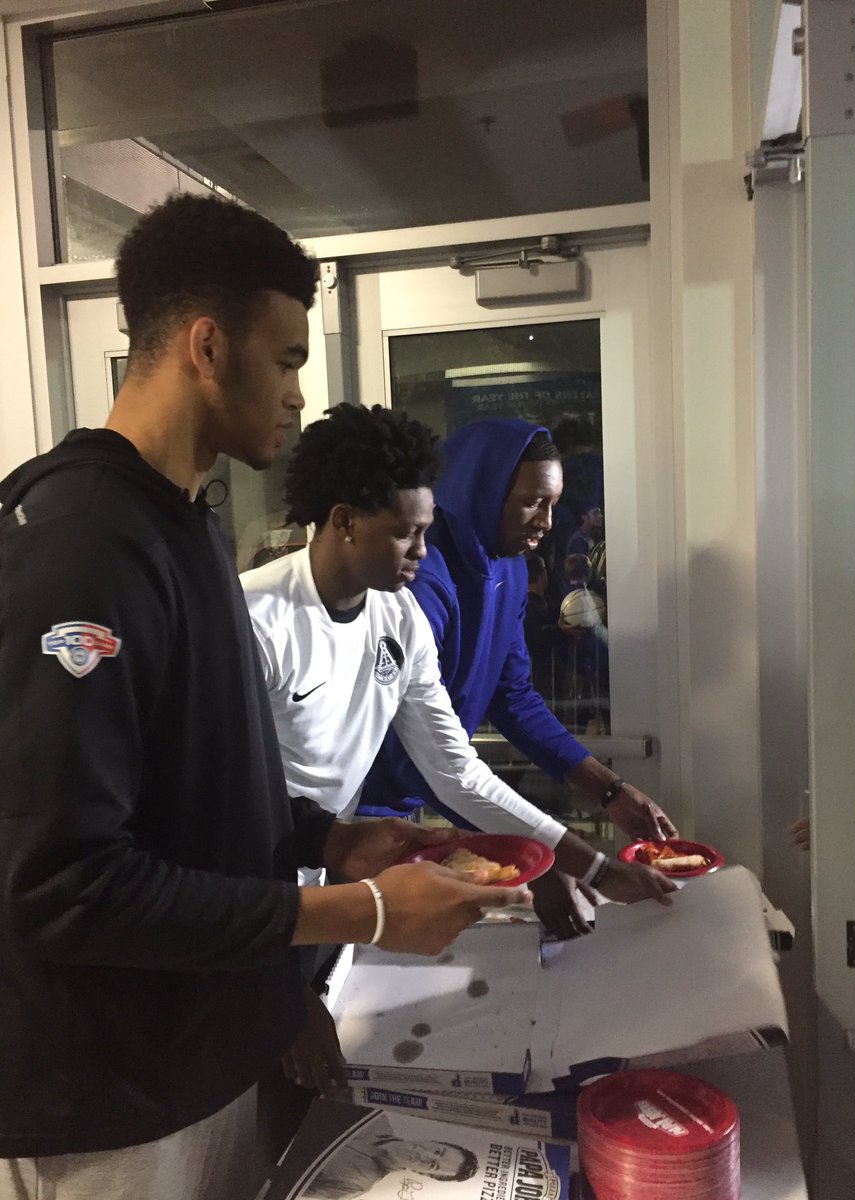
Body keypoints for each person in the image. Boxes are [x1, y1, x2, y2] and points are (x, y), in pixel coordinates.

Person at [0, 195, 528, 1200]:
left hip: (200, 1061)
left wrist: (320, 839)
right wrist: (360, 911)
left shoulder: (185, 526)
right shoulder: (77, 548)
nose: (298, 394)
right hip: (112, 1104)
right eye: (286, 359)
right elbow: (64, 884)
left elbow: (185, 794)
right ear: (207, 347)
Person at [240, 403, 674, 1093]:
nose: (422, 552)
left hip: (331, 872)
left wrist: (590, 866)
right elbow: (223, 821)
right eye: (407, 534)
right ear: (346, 520)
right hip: (250, 902)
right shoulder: (255, 621)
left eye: (425, 531)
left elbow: (455, 771)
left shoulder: (400, 616)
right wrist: (283, 996)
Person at [362, 418, 678, 857]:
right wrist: (551, 852)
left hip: (418, 796)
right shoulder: (421, 578)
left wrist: (610, 790)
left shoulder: (507, 567)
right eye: (532, 502)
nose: (547, 522)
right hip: (355, 810)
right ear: (482, 489)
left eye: (554, 504)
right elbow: (416, 751)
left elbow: (513, 696)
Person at [307, 1114, 477, 1199]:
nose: (423, 1154)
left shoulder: (357, 1184)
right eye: (437, 1151)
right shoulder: (375, 1119)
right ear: (432, 1141)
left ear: (424, 1174)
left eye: (432, 1165)